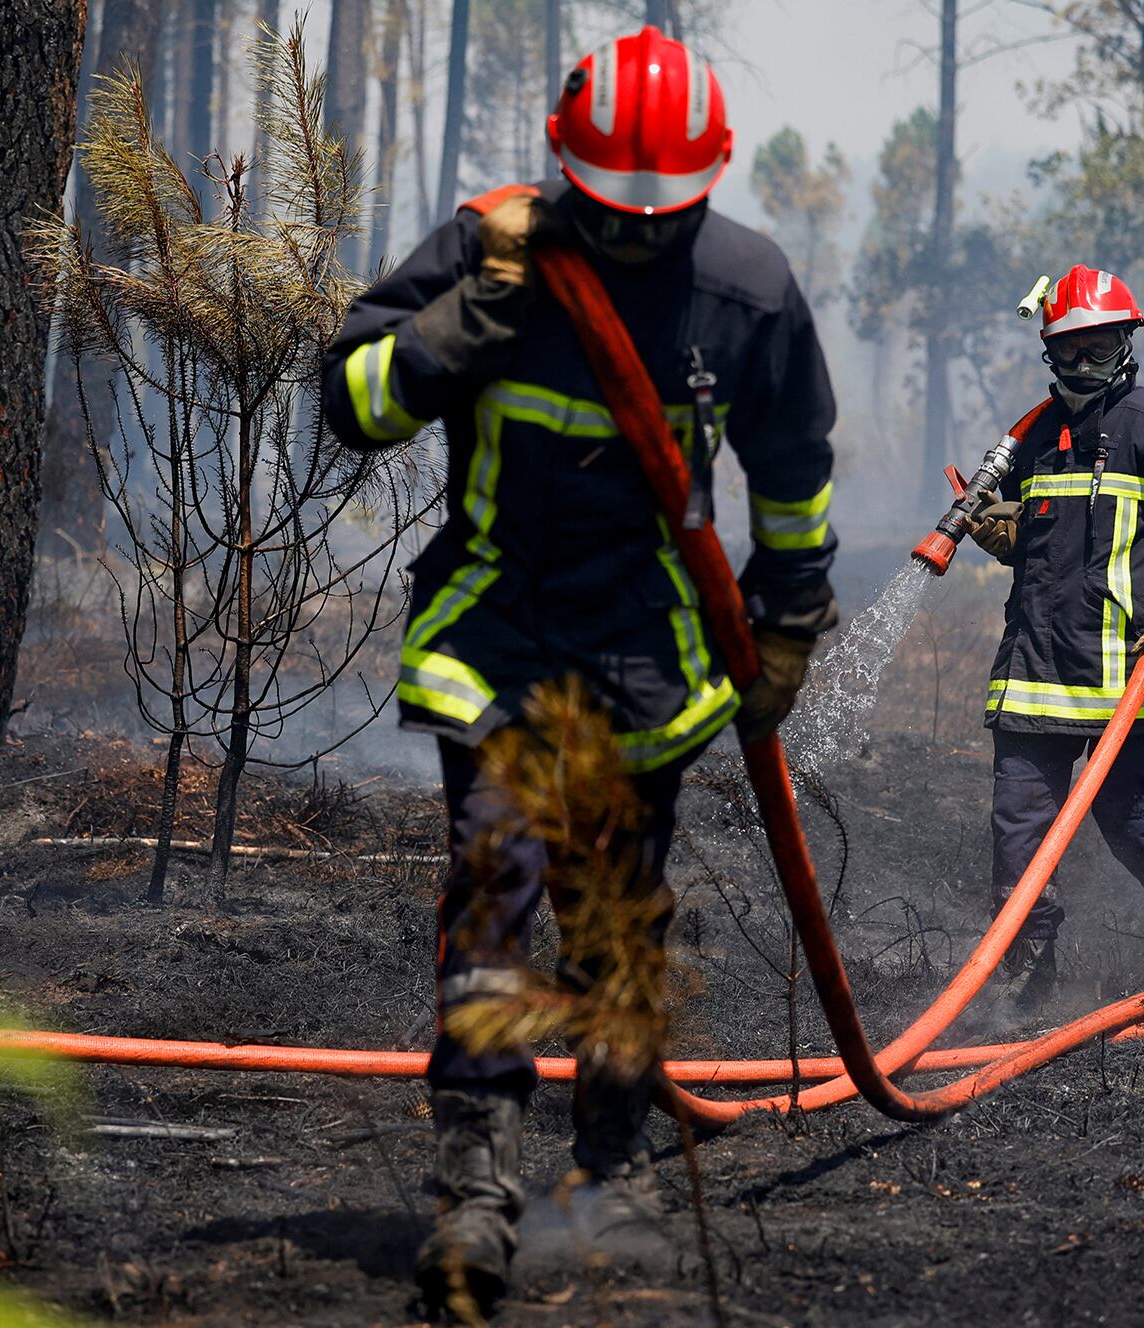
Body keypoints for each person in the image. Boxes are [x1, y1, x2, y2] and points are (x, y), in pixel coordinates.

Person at [320, 25, 838, 1314]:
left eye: (659, 217)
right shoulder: (487, 253)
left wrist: (787, 623)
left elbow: (792, 473)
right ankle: (478, 1191)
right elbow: (351, 404)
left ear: (709, 185)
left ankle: (603, 1168)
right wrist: (460, 329)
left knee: (616, 927)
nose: (633, 237)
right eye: (609, 214)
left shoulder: (750, 292)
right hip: (494, 642)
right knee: (492, 900)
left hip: (649, 662)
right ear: (567, 174)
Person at [968, 264, 1144, 1007]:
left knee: (1134, 823)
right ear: (1049, 353)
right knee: (1019, 829)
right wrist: (1012, 537)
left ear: (1127, 342)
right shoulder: (1034, 440)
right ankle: (1029, 970)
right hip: (1038, 671)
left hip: (1136, 672)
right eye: (1071, 351)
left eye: (1101, 347)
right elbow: (1046, 544)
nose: (1086, 364)